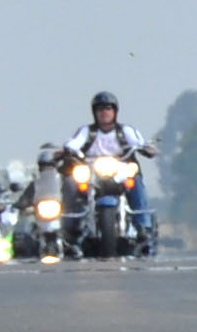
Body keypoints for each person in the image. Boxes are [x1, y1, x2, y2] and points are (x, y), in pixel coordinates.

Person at [61, 90, 157, 251]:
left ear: (115, 111)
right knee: (71, 182)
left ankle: (143, 225)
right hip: (93, 173)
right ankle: (71, 226)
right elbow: (73, 143)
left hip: (120, 172)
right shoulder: (87, 132)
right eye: (100, 109)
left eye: (108, 108)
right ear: (94, 112)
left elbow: (139, 143)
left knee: (136, 181)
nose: (104, 112)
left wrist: (147, 148)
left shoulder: (125, 131)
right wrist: (67, 149)